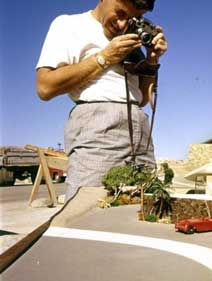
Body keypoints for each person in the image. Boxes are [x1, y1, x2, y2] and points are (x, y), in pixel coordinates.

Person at [36, 0, 167, 201]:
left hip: (139, 129)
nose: (123, 25)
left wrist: (151, 61)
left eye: (134, 18)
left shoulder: (132, 36)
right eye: (120, 13)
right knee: (87, 207)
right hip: (97, 126)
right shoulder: (68, 25)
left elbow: (140, 98)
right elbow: (45, 87)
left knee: (144, 204)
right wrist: (105, 57)